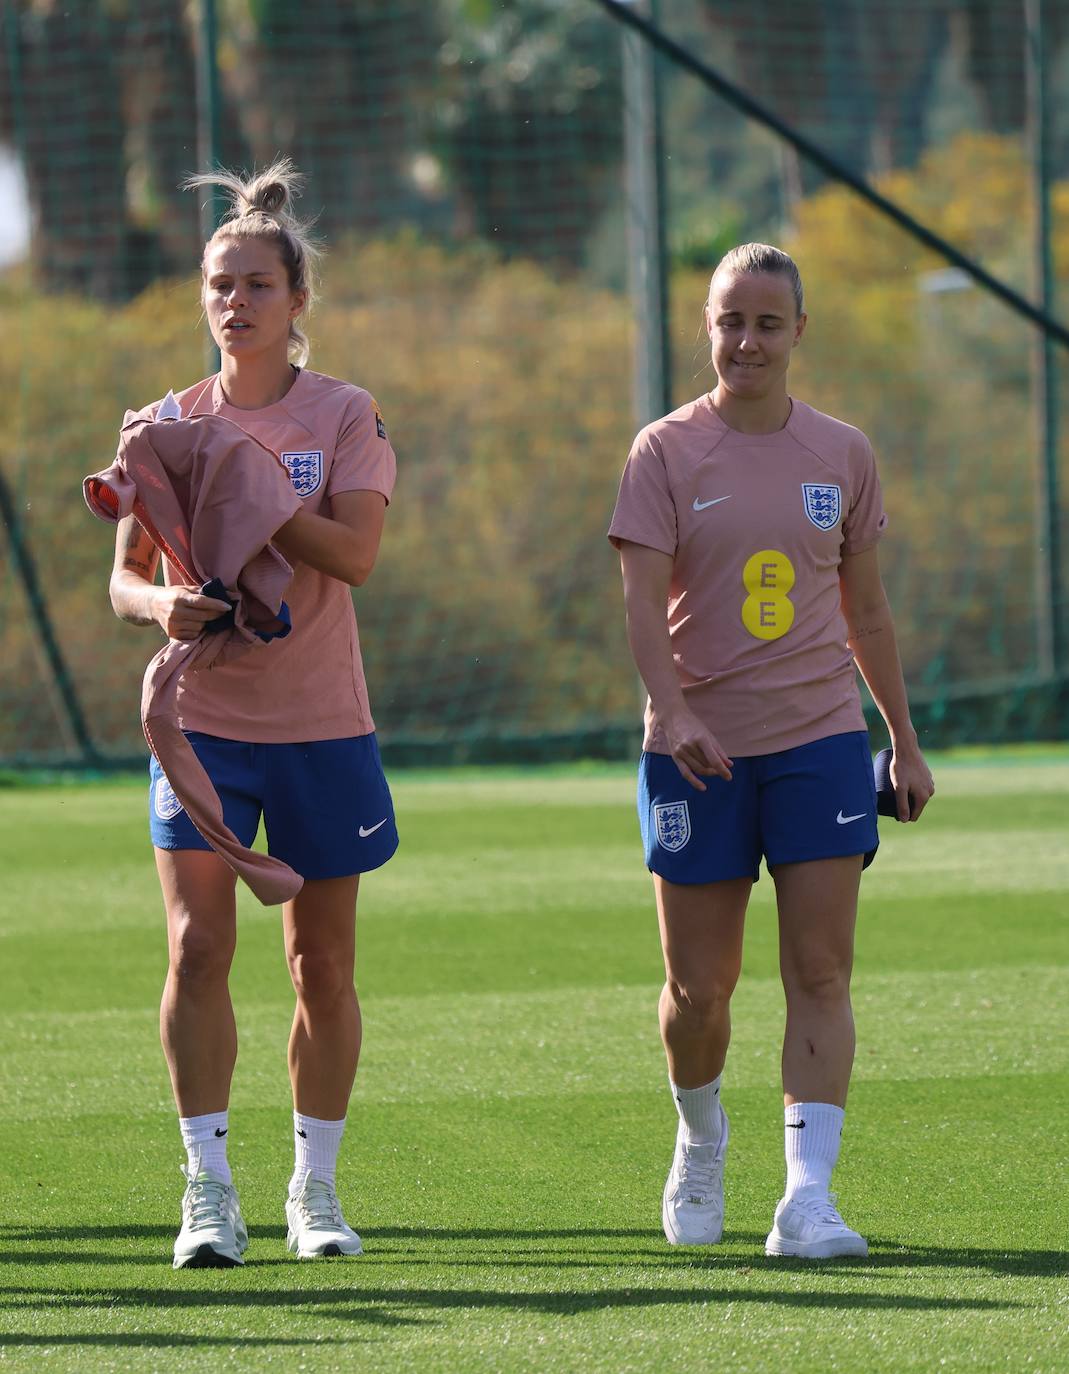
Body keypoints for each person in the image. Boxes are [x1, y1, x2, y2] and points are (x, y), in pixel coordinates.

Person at [608, 243, 934, 1259]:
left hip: (819, 741)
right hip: (696, 753)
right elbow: (639, 606)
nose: (745, 341)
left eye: (765, 323)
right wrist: (671, 714)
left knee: (822, 972)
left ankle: (806, 1200)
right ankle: (700, 1141)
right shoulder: (663, 451)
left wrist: (901, 739)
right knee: (699, 990)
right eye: (729, 321)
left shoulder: (842, 453)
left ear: (798, 331)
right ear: (706, 328)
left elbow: (866, 609)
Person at [108, 159, 398, 1268]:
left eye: (257, 285)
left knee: (320, 964)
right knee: (196, 948)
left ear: (297, 299)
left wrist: (253, 489)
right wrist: (162, 606)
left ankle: (313, 1191)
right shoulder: (168, 422)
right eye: (219, 285)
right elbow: (124, 580)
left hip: (321, 722)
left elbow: (357, 556)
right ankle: (208, 1191)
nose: (236, 302)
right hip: (203, 724)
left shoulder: (344, 413)